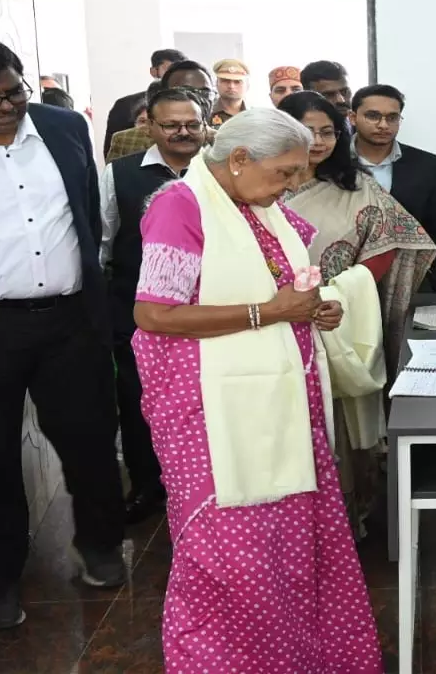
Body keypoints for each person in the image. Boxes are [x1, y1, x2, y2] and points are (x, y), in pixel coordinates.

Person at [131, 108, 382, 671]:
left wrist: (314, 309)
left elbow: (284, 292)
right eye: (286, 172)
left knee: (290, 544)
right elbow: (154, 314)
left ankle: (301, 657)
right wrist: (266, 313)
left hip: (283, 401)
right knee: (232, 552)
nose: (294, 184)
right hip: (211, 414)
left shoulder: (260, 209)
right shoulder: (181, 205)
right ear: (239, 160)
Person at [0, 33, 126, 630]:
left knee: (92, 441)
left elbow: (85, 213)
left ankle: (101, 548)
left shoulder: (63, 127)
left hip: (69, 320)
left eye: (14, 91)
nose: (5, 106)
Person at [278, 91, 436, 536]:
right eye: (306, 130)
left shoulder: (355, 185)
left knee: (340, 423)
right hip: (275, 321)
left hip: (336, 318)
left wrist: (342, 291)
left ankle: (344, 520)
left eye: (327, 131)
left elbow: (391, 243)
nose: (318, 140)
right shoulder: (261, 184)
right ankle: (291, 522)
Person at [100, 88, 207, 525]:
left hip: (208, 314)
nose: (183, 132)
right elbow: (102, 243)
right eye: (171, 125)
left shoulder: (222, 171)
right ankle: (148, 486)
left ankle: (201, 488)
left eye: (192, 124)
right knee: (141, 403)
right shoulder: (119, 175)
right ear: (149, 126)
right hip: (138, 313)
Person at [351, 84, 436, 293]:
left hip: (407, 280)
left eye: (392, 117)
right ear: (353, 118)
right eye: (372, 116)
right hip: (348, 280)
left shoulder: (427, 165)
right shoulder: (333, 163)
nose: (383, 124)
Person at [103, 48, 185, 156]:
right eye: (169, 69)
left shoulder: (192, 105)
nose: (175, 75)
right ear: (154, 71)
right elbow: (112, 149)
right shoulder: (125, 105)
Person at [210, 58, 249, 127]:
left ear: (247, 86)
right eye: (225, 81)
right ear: (216, 84)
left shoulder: (254, 115)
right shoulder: (206, 113)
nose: (231, 86)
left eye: (237, 82)